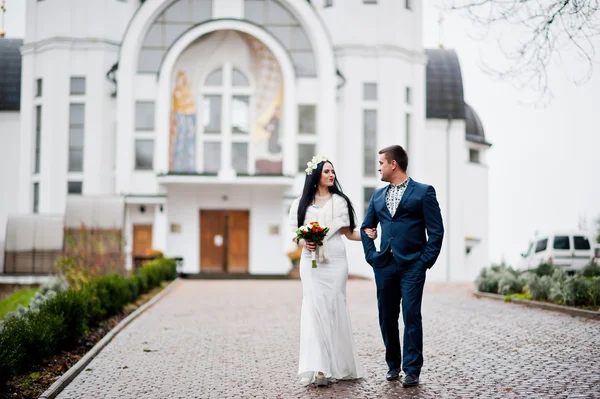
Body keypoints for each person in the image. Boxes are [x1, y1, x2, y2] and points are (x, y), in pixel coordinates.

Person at [288, 155, 376, 387]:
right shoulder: (300, 203)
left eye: (332, 171)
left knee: (333, 310)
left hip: (336, 262)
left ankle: (337, 363)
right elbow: (294, 235)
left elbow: (349, 233)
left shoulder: (341, 201)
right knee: (314, 309)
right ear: (316, 174)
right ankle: (319, 368)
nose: (331, 174)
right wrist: (304, 241)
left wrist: (370, 235)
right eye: (327, 171)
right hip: (311, 263)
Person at [360, 145, 444, 387]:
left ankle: (412, 368)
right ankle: (393, 364)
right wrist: (372, 256)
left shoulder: (424, 192)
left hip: (412, 266)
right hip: (384, 264)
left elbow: (436, 231)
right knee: (387, 317)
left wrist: (424, 262)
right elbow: (367, 228)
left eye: (381, 163)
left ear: (393, 164)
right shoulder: (377, 196)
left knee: (411, 314)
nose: (378, 168)